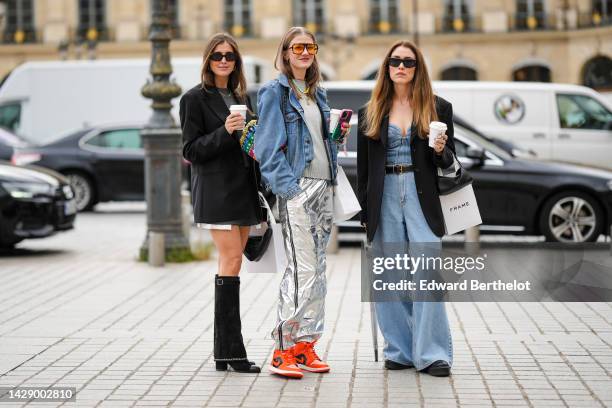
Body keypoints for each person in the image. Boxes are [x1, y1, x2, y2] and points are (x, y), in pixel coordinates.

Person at [254, 27, 349, 379]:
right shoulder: (275, 93)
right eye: (298, 47)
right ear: (285, 52)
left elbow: (318, 144)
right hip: (298, 188)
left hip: (324, 186)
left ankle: (305, 345)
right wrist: (289, 190)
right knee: (302, 269)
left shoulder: (317, 94)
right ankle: (283, 349)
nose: (305, 52)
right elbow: (266, 148)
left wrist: (336, 137)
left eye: (310, 46)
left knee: (318, 272)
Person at [356, 40, 455, 377]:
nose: (401, 66)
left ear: (418, 68)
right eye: (395, 61)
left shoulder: (438, 107)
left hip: (420, 192)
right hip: (383, 193)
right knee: (389, 275)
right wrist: (365, 212)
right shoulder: (370, 110)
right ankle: (398, 349)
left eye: (408, 62)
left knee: (427, 270)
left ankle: (432, 353)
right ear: (387, 67)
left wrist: (441, 149)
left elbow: (449, 163)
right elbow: (364, 167)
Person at [179, 33, 263, 374]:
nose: (224, 61)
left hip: (243, 189)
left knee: (232, 265)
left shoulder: (242, 96)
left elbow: (251, 144)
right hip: (215, 192)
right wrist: (225, 131)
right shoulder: (194, 99)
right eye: (217, 56)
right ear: (208, 61)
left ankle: (224, 352)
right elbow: (190, 150)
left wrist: (255, 135)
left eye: (229, 56)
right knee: (230, 260)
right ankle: (232, 351)